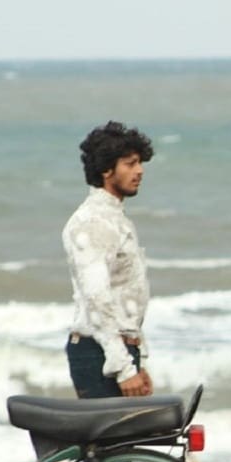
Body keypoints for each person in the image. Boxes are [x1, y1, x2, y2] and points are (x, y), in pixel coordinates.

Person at [62, 121, 156, 399]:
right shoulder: (92, 222)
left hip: (118, 350)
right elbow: (96, 297)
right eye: (130, 164)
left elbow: (124, 294)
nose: (139, 171)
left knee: (132, 429)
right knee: (113, 430)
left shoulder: (114, 217)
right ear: (106, 170)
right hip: (99, 354)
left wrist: (139, 359)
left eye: (140, 163)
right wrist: (124, 369)